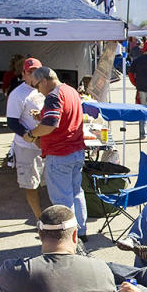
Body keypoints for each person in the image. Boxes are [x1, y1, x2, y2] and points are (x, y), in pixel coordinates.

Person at [24, 66, 89, 241]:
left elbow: (50, 125)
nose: (37, 91)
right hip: (75, 151)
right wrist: (42, 116)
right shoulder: (70, 90)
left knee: (63, 199)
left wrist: (31, 134)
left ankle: (68, 238)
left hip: (60, 153)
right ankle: (80, 232)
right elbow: (60, 117)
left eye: (37, 86)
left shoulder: (53, 95)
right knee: (76, 193)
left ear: (45, 81)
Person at [5, 58, 46, 220]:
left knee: (47, 183)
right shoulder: (17, 94)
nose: (34, 75)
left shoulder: (42, 90)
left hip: (44, 146)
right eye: (30, 72)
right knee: (31, 185)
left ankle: (47, 217)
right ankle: (39, 219)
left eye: (37, 71)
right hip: (27, 148)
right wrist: (31, 138)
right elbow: (12, 122)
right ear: (23, 74)